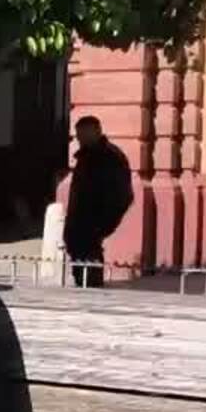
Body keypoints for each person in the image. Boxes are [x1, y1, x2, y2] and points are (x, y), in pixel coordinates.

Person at [64, 116, 134, 288]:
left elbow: (123, 196)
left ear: (95, 132)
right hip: (78, 228)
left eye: (82, 135)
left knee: (91, 278)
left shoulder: (110, 158)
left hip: (92, 228)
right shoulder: (86, 157)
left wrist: (101, 226)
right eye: (78, 135)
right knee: (81, 275)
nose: (78, 139)